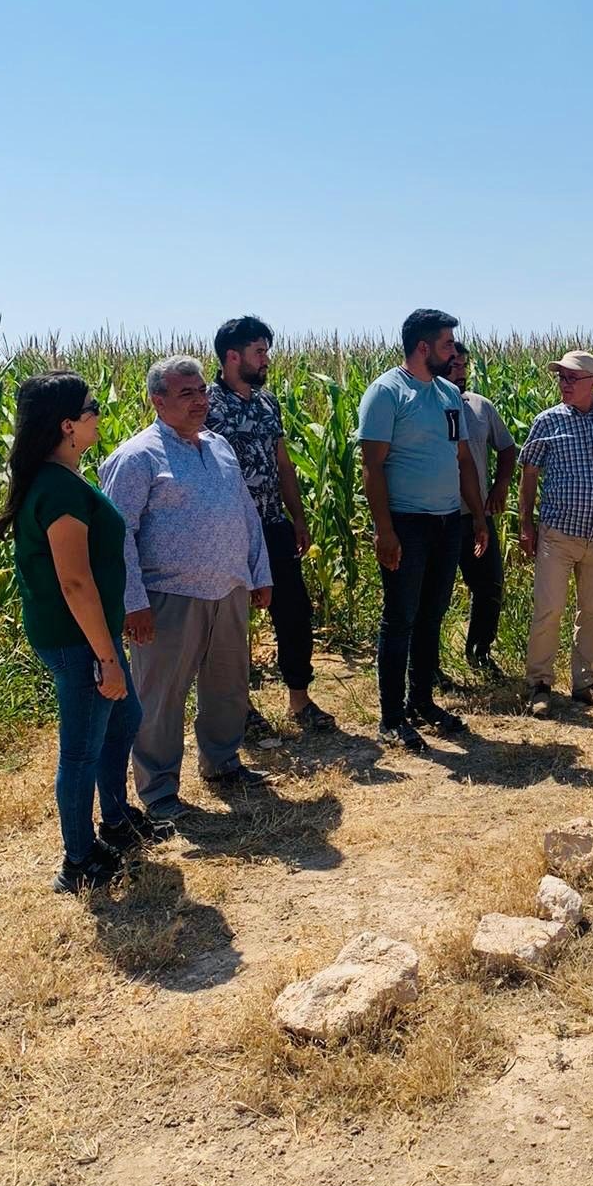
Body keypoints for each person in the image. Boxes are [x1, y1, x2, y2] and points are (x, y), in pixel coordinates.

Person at [0, 372, 168, 893]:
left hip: (91, 633)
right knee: (80, 750)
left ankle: (114, 820)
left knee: (125, 716)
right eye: (91, 407)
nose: (98, 412)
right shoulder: (57, 489)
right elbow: (73, 580)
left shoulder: (64, 479)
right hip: (78, 638)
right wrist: (106, 659)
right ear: (68, 425)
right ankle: (78, 859)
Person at [99, 357, 273, 822]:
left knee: (228, 686)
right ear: (158, 401)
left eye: (201, 391)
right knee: (161, 697)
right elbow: (117, 539)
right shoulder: (136, 457)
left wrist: (260, 572)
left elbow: (245, 513)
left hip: (229, 589)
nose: (200, 401)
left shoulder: (218, 447)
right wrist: (132, 603)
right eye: (186, 394)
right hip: (167, 598)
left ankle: (223, 762)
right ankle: (158, 791)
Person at [357, 310, 490, 750]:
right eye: (448, 344)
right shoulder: (386, 393)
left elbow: (463, 460)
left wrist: (477, 516)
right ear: (423, 347)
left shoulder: (449, 393)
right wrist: (385, 530)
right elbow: (372, 467)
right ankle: (391, 718)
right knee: (400, 619)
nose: (454, 352)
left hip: (447, 522)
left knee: (432, 615)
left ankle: (422, 703)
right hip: (406, 524)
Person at [206, 314, 336, 736]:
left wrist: (298, 518)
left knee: (294, 611)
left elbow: (283, 464)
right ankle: (237, 708)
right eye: (259, 352)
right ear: (232, 356)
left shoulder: (267, 403)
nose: (266, 361)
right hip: (229, 531)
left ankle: (299, 700)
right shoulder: (205, 405)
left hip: (273, 525)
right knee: (233, 622)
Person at [519, 351, 593, 716]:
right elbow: (529, 474)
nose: (564, 384)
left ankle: (585, 682)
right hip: (558, 534)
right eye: (561, 378)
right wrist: (526, 524)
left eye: (573, 378)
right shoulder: (547, 421)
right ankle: (539, 683)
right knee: (549, 609)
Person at [447, 341, 517, 677]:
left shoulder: (480, 407)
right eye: (454, 365)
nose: (460, 372)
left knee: (489, 587)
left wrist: (501, 485)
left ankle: (480, 652)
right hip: (440, 517)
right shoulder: (424, 404)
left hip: (477, 517)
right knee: (436, 597)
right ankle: (427, 668)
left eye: (464, 366)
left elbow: (507, 448)